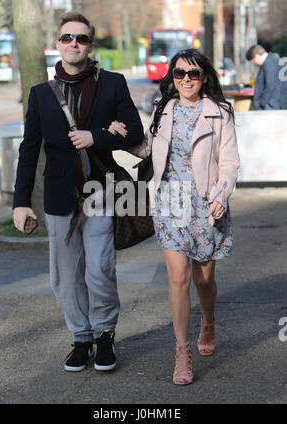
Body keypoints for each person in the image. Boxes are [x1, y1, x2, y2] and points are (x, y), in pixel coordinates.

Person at [13, 12, 143, 373]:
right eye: (67, 37)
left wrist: (96, 137)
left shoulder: (113, 83)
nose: (74, 43)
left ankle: (104, 334)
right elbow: (29, 149)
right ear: (57, 43)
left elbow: (134, 130)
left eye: (81, 39)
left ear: (90, 45)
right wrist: (21, 202)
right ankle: (81, 337)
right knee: (65, 275)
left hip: (99, 191)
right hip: (58, 195)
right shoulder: (40, 94)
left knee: (100, 268)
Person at [108, 49, 239, 385]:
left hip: (207, 203)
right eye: (180, 73)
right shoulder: (163, 110)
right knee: (178, 277)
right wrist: (116, 137)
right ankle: (183, 351)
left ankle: (207, 321)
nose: (186, 80)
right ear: (172, 77)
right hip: (169, 202)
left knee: (203, 279)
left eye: (193, 74)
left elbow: (229, 162)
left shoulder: (220, 112)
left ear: (205, 77)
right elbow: (149, 149)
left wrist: (221, 195)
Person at [246, 44, 281, 110]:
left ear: (256, 56)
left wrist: (261, 103)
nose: (254, 63)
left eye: (253, 61)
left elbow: (270, 85)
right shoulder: (272, 60)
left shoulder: (269, 63)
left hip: (269, 104)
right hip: (271, 103)